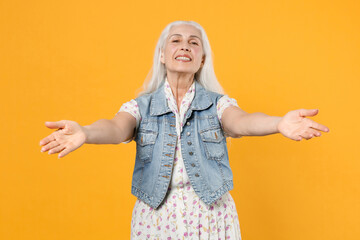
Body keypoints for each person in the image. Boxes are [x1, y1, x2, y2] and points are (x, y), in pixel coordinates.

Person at [39, 20, 329, 239]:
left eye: (194, 42)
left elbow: (242, 121)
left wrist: (278, 123)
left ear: (202, 59)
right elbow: (116, 128)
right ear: (163, 55)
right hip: (155, 218)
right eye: (176, 40)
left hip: (211, 217)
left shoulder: (217, 104)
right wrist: (86, 132)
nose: (185, 46)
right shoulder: (140, 107)